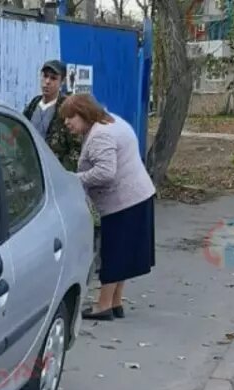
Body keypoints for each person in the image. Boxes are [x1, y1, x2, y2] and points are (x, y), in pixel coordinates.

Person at [59, 94, 156, 321]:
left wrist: (74, 178)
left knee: (112, 253)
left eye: (70, 118)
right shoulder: (113, 121)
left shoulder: (100, 135)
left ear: (83, 113)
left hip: (122, 202)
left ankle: (103, 306)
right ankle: (115, 302)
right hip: (137, 197)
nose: (66, 123)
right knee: (122, 254)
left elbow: (105, 172)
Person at [23, 60, 80, 171]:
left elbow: (77, 148)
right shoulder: (34, 104)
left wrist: (63, 172)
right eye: (45, 76)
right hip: (31, 170)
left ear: (62, 82)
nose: (47, 82)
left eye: (53, 78)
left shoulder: (67, 108)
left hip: (54, 173)